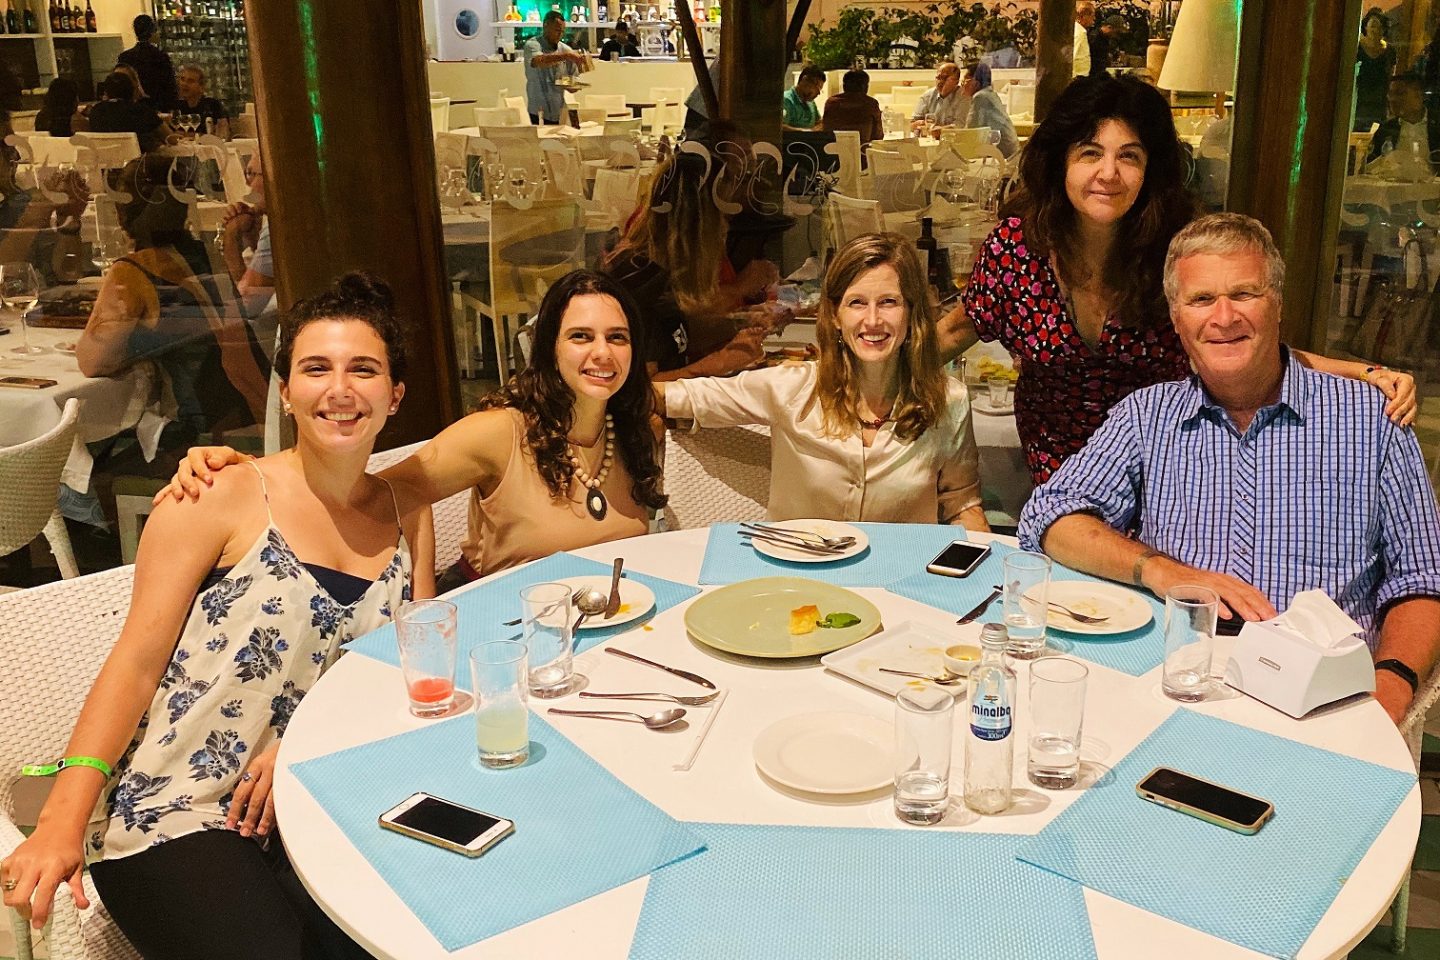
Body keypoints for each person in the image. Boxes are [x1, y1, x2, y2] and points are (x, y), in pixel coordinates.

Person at [0, 272, 434, 959]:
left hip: (319, 798)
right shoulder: (218, 494)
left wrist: (307, 747)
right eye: (315, 369)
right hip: (177, 808)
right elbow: (136, 663)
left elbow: (412, 668)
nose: (340, 389)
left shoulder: (410, 512)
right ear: (285, 390)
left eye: (364, 370)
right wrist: (61, 819)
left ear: (395, 394)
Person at [1018, 213, 1440, 726]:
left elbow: (1423, 578)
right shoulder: (1147, 417)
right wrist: (1164, 570)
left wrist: (1391, 688)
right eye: (1201, 299)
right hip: (1174, 686)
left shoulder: (1372, 420)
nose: (1223, 317)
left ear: (1277, 304)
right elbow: (1049, 517)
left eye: (1244, 294)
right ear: (1176, 319)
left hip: (1324, 703)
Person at [940, 75, 1418, 487]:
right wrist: (889, 373)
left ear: (1150, 169)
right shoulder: (1018, 247)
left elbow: (1246, 342)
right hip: (1056, 475)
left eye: (1129, 156)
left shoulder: (1179, 249)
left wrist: (1367, 374)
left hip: (1170, 470)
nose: (1109, 173)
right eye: (1090, 153)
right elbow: (957, 330)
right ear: (1060, 161)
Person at [159, 270, 667, 585]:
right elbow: (375, 493)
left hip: (606, 625)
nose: (602, 353)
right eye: (580, 336)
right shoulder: (502, 433)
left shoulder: (636, 432)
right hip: (503, 630)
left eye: (617, 338)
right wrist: (256, 474)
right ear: (549, 347)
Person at [655, 233, 986, 529]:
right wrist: (630, 413)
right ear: (835, 315)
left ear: (912, 313)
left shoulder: (948, 401)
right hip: (799, 572)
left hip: (900, 575)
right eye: (857, 303)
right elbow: (668, 396)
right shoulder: (788, 388)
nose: (872, 320)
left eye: (889, 302)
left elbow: (962, 504)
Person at [78, 155, 270, 453]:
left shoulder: (134, 270)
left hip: (203, 437)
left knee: (90, 453)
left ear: (120, 213)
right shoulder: (205, 256)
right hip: (254, 412)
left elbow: (93, 362)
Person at [603, 151, 790, 381]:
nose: (725, 226)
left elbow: (677, 338)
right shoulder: (638, 277)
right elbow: (643, 387)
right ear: (698, 220)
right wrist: (720, 363)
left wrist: (741, 323)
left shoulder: (664, 269)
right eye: (721, 214)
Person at [220, 150, 276, 318]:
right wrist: (253, 239)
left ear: (272, 177)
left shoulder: (279, 225)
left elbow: (244, 308)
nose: (247, 183)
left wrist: (231, 238)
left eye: (252, 173)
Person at [1366, 74, 1440, 172]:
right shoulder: (1386, 130)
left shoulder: (1437, 124)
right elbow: (1369, 166)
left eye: (1400, 93)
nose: (1393, 99)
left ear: (1419, 96)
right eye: (1390, 94)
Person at [523, 11, 586, 125]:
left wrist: (571, 82)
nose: (560, 35)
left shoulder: (566, 49)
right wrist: (566, 56)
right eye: (557, 30)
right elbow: (538, 61)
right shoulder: (532, 45)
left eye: (562, 32)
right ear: (545, 26)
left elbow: (571, 83)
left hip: (559, 111)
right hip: (537, 112)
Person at [85, 72, 165, 152]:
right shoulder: (141, 110)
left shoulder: (96, 111)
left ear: (106, 93)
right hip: (140, 158)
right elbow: (168, 136)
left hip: (105, 158)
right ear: (132, 91)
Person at [118, 13, 178, 109]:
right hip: (158, 106)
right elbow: (170, 87)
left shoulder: (125, 57)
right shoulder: (160, 56)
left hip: (133, 108)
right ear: (152, 32)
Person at [962, 63, 1018, 158]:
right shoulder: (989, 94)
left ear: (975, 82)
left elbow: (970, 131)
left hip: (1001, 155)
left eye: (964, 80)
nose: (962, 84)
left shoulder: (980, 97)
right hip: (1009, 152)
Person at [1355, 8, 1396, 133]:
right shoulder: (1356, 48)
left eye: (1380, 27)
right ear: (1365, 27)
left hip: (1379, 105)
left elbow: (1391, 76)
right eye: (1373, 26)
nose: (1376, 30)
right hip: (1358, 103)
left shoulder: (1390, 51)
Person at [822, 69, 884, 147]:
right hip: (862, 152)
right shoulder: (870, 104)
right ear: (865, 87)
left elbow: (825, 131)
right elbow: (878, 136)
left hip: (833, 152)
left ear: (844, 86)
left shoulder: (831, 103)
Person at [171, 63, 231, 140]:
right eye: (182, 79)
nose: (184, 84)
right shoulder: (177, 107)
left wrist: (186, 135)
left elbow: (223, 134)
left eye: (190, 81)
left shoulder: (213, 105)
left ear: (201, 87)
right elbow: (170, 134)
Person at [911, 62, 968, 132]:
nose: (940, 82)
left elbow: (960, 126)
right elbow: (912, 123)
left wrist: (940, 130)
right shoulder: (927, 96)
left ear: (956, 82)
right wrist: (919, 124)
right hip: (928, 137)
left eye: (944, 78)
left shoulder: (964, 97)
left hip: (953, 138)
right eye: (938, 78)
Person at [783, 65, 825, 132]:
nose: (818, 93)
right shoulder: (786, 100)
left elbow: (819, 122)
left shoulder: (811, 103)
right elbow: (780, 127)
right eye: (816, 87)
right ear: (804, 80)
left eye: (820, 89)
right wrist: (806, 132)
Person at [1073, 2, 1095, 78]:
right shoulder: (1080, 32)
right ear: (1084, 16)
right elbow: (1073, 54)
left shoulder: (1078, 29)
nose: (1094, 19)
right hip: (1078, 76)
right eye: (1092, 16)